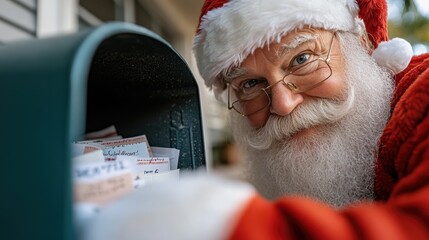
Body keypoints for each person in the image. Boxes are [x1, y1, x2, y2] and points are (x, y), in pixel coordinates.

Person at [83, 0, 429, 239]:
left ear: (359, 46)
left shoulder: (422, 93)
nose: (282, 103)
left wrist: (218, 225)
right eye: (250, 83)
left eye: (302, 58)